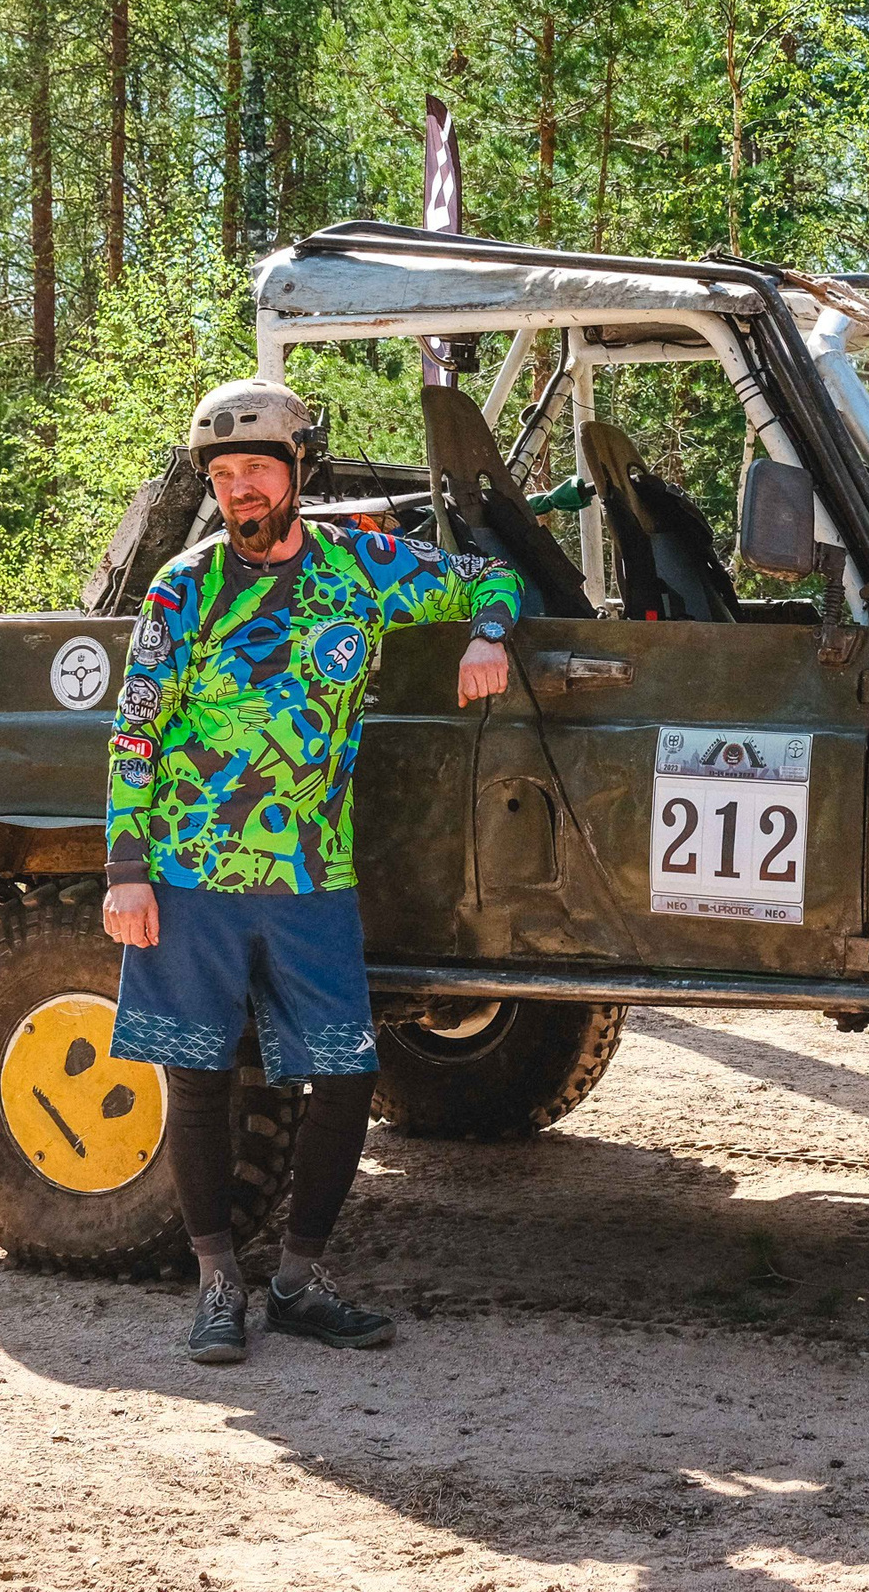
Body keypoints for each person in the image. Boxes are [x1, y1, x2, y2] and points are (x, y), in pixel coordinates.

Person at [100, 377, 524, 1364]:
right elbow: (136, 729)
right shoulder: (183, 588)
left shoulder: (361, 566)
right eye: (222, 475)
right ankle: (218, 1284)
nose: (239, 489)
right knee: (199, 1077)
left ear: (298, 470)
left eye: (256, 468)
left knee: (344, 1072)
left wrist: (488, 635)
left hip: (310, 874)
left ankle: (296, 1279)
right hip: (191, 873)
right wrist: (126, 866)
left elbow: (491, 576)